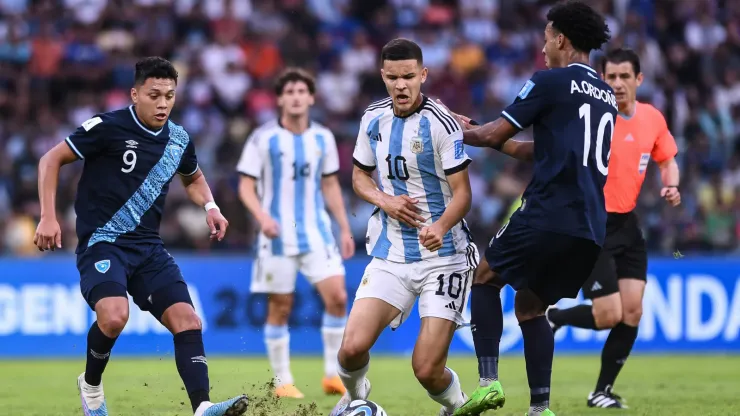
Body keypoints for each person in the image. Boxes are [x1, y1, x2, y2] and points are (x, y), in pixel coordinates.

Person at [33, 57, 248, 416]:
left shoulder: (179, 139)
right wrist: (47, 216)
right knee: (115, 316)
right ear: (135, 94)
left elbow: (193, 178)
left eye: (170, 96)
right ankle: (91, 387)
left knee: (188, 320)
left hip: (148, 248)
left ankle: (203, 407)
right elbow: (49, 160)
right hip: (103, 242)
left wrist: (211, 206)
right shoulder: (108, 126)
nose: (163, 103)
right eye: (154, 95)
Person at [440, 2, 615, 415]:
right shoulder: (605, 94)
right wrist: (490, 137)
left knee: (484, 278)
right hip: (589, 228)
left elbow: (495, 131)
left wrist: (457, 129)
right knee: (532, 307)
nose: (542, 48)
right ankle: (540, 409)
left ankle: (487, 384)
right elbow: (542, 149)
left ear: (561, 39)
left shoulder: (551, 81)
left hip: (548, 212)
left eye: (545, 38)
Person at [330, 38, 478, 416]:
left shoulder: (442, 124)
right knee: (349, 349)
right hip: (392, 253)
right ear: (383, 76)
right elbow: (360, 177)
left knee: (426, 369)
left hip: (444, 257)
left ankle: (456, 406)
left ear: (423, 75)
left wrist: (442, 225)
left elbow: (463, 195)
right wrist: (386, 200)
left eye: (409, 76)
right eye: (393, 77)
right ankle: (357, 400)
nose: (401, 85)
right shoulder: (372, 118)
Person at [545, 47, 681, 409]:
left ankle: (601, 391)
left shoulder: (652, 118)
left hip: (627, 224)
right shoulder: (591, 117)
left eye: (625, 77)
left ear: (639, 79)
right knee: (609, 315)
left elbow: (667, 159)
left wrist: (671, 184)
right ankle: (554, 316)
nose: (618, 84)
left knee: (632, 312)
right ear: (601, 79)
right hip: (592, 224)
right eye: (611, 77)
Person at [236, 67, 354, 399]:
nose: (296, 97)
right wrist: (261, 217)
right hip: (276, 236)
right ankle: (283, 381)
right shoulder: (264, 138)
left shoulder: (323, 138)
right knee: (280, 307)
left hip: (317, 231)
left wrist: (344, 227)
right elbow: (245, 185)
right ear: (279, 99)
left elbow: (330, 184)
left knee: (338, 298)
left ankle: (332, 375)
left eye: (302, 91)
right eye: (289, 92)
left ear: (312, 98)